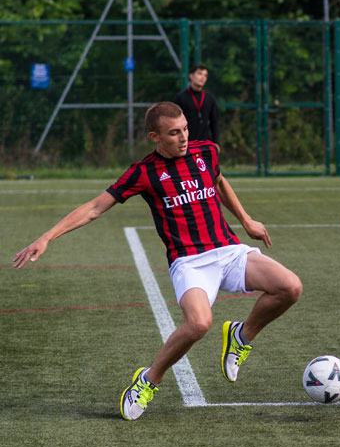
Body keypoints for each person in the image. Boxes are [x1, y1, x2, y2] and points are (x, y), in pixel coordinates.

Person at [13, 102, 302, 420]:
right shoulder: (144, 172)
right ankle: (148, 380)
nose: (183, 138)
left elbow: (218, 181)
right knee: (198, 324)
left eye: (185, 129)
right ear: (155, 136)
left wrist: (246, 220)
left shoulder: (206, 152)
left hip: (228, 250)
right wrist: (47, 237)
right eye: (174, 133)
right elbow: (95, 207)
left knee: (290, 287)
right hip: (189, 261)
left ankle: (241, 336)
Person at [173, 63, 220, 144]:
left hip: (205, 144)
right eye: (199, 74)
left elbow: (215, 122)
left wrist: (216, 143)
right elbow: (175, 122)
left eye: (205, 75)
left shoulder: (210, 98)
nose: (202, 78)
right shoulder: (180, 97)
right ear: (191, 76)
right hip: (186, 143)